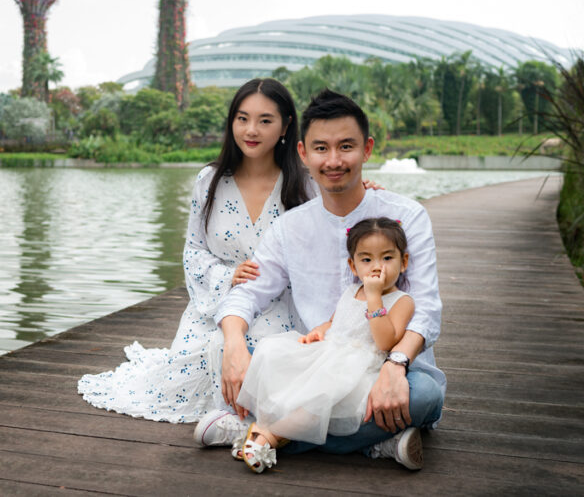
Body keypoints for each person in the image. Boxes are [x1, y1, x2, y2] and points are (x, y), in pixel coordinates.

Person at [194, 89, 445, 471]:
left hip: (391, 361)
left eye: (346, 147)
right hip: (321, 363)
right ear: (302, 153)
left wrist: (395, 364)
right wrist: (233, 343)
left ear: (367, 149)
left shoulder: (405, 217)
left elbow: (425, 308)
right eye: (321, 148)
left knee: (425, 397)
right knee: (263, 358)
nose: (333, 160)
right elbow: (246, 294)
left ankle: (256, 434)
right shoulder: (290, 227)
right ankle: (374, 444)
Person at [77, 78, 314, 422]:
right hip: (217, 303)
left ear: (286, 126)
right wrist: (227, 274)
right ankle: (234, 417)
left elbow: (339, 230)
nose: (251, 129)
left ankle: (242, 421)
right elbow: (194, 251)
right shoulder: (210, 180)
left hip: (279, 304)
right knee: (208, 354)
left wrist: (364, 191)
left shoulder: (305, 185)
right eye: (242, 118)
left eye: (265, 120)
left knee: (267, 352)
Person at [235, 217, 416, 473]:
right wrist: (318, 333)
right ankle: (260, 426)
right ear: (353, 266)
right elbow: (335, 322)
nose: (377, 267)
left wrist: (375, 297)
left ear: (404, 262)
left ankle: (269, 435)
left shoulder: (402, 301)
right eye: (367, 260)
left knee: (318, 399)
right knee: (274, 359)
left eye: (387, 258)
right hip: (329, 353)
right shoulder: (350, 291)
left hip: (357, 368)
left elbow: (386, 341)